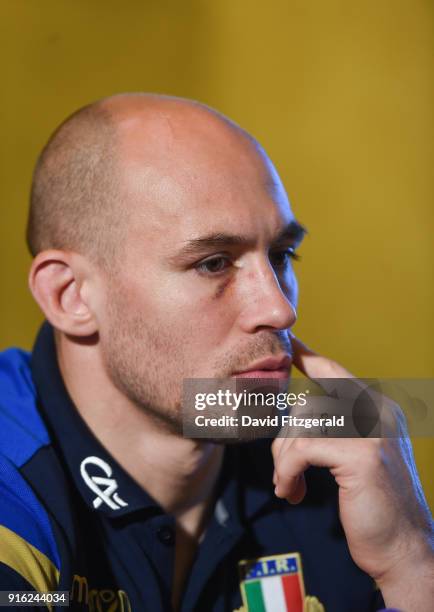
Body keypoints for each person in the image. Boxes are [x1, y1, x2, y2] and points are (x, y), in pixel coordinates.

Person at [0, 93, 432, 612]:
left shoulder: (340, 469)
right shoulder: (14, 495)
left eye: (281, 255)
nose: (278, 309)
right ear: (70, 296)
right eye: (213, 263)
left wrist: (410, 560)